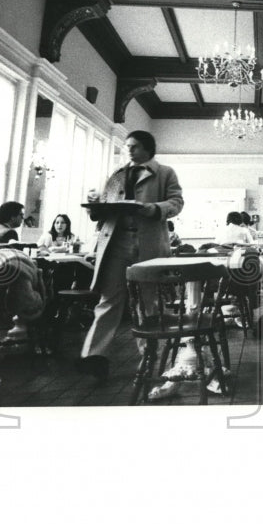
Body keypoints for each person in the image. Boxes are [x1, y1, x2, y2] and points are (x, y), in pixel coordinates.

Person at [75, 131, 184, 381]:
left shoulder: (165, 173)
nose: (129, 151)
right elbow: (102, 211)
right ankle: (94, 357)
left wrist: (153, 208)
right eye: (127, 147)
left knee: (148, 301)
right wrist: (95, 205)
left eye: (134, 147)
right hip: (116, 242)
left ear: (148, 148)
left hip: (148, 243)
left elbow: (177, 202)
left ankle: (149, 360)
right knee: (108, 299)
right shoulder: (116, 175)